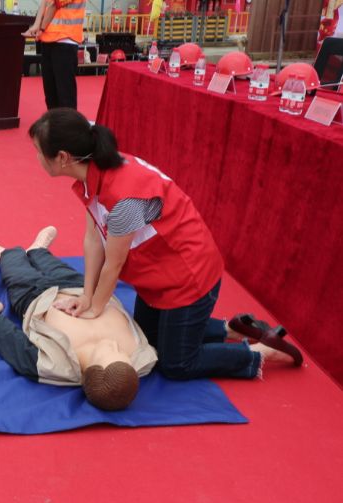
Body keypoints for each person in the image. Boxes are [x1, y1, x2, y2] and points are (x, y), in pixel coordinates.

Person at [27, 109, 303, 380]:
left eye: (39, 151)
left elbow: (115, 263)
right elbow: (93, 239)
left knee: (176, 364)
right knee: (146, 340)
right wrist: (87, 296)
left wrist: (96, 307)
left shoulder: (125, 199)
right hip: (158, 273)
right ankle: (232, 329)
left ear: (63, 157)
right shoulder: (94, 172)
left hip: (187, 277)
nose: (37, 157)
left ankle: (260, 351)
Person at [0, 226, 157, 410]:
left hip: (34, 296)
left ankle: (4, 253)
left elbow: (13, 345)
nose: (114, 345)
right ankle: (37, 250)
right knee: (54, 265)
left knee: (16, 271)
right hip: (81, 291)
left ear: (91, 371)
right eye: (123, 354)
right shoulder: (143, 359)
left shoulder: (56, 365)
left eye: (112, 352)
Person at [22, 0, 84, 109]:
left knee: (64, 95)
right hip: (48, 39)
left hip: (65, 39)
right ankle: (55, 124)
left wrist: (40, 28)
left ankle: (68, 125)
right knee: (51, 95)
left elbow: (53, 5)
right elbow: (45, 2)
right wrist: (37, 26)